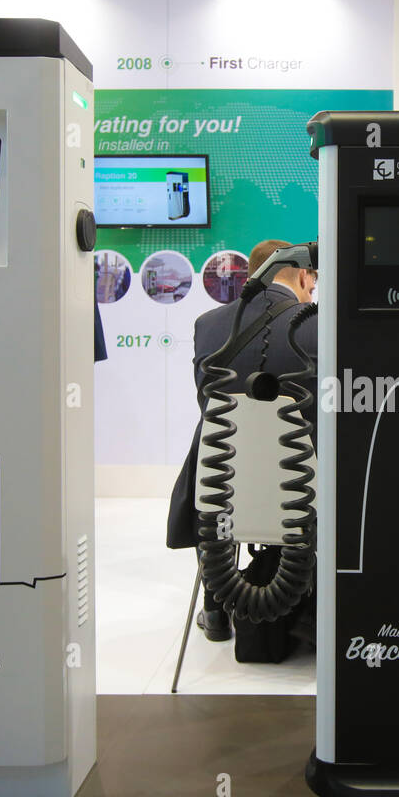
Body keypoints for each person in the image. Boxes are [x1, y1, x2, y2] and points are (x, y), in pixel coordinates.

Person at [166, 239, 319, 642]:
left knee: (210, 444)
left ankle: (215, 611)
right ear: (303, 274)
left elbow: (208, 402)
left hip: (223, 486)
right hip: (302, 488)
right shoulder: (321, 325)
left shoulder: (208, 324)